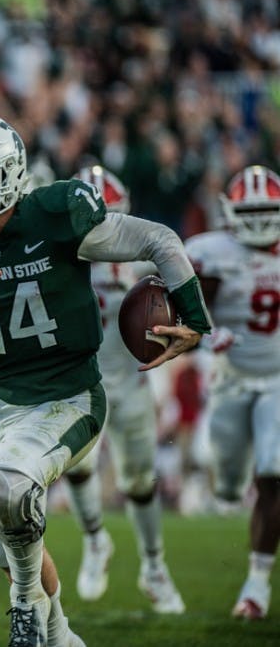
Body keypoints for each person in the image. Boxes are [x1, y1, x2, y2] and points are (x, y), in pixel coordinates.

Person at [0, 114, 211, 646]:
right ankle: (63, 637)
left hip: (68, 395)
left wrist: (194, 320)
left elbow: (161, 241)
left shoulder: (58, 213)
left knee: (9, 486)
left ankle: (24, 610)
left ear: (10, 171)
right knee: (1, 545)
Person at [60, 166, 184, 613]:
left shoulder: (143, 258)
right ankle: (96, 541)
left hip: (132, 383)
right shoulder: (54, 256)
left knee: (139, 483)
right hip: (80, 385)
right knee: (74, 468)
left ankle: (154, 565)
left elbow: (178, 293)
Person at [184, 164, 280, 620]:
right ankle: (227, 488)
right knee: (226, 484)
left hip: (279, 377)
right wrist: (207, 335)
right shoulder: (212, 252)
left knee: (273, 474)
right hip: (230, 375)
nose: (259, 219)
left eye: (267, 210)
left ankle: (256, 585)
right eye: (251, 210)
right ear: (230, 211)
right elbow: (189, 311)